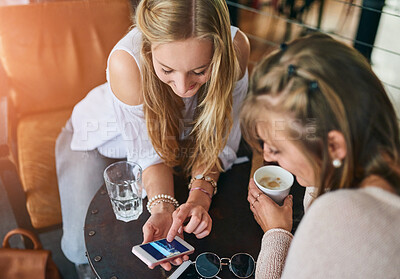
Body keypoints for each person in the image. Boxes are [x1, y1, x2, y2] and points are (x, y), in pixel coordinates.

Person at [55, 0, 250, 273]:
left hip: (173, 140)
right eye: (167, 70)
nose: (184, 88)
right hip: (99, 139)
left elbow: (220, 138)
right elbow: (149, 156)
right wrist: (161, 209)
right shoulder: (126, 61)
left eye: (199, 70)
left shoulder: (236, 47)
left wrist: (199, 198)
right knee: (80, 247)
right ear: (148, 47)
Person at [240, 33, 400, 278]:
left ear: (334, 146)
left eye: (277, 148)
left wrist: (276, 233)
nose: (269, 157)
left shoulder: (339, 215)